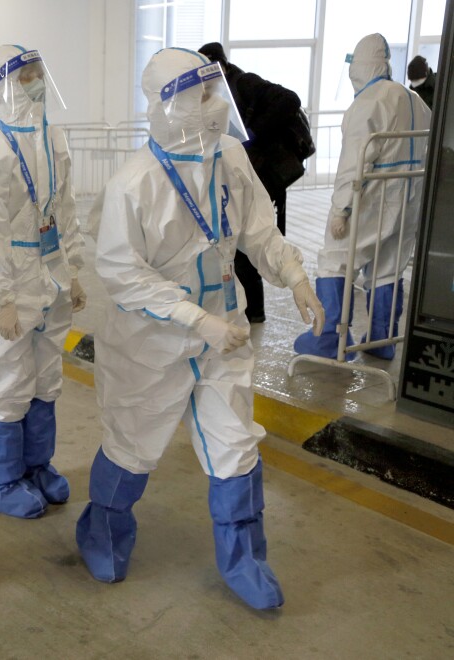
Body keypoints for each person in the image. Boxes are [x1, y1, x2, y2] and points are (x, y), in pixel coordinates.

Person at [75, 47, 324, 610]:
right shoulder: (133, 184)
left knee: (236, 447)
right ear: (169, 104)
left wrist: (295, 275)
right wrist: (194, 319)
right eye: (202, 93)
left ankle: (245, 562)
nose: (215, 105)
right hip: (151, 342)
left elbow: (260, 227)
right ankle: (103, 535)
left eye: (217, 92)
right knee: (133, 446)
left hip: (225, 334)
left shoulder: (229, 156)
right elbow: (122, 273)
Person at [0, 45, 86, 520]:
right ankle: (1, 479)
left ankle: (36, 467)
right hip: (8, 282)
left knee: (46, 379)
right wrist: (2, 294)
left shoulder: (54, 140)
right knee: (7, 380)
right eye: (25, 74)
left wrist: (72, 270)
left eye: (38, 72)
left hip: (48, 279)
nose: (35, 82)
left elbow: (65, 211)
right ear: (3, 84)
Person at [294, 34, 431, 360]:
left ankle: (329, 338)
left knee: (336, 259)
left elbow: (353, 163)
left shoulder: (368, 103)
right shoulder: (415, 101)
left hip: (372, 196)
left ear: (360, 66)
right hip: (410, 196)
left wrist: (341, 208)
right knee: (388, 267)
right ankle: (381, 340)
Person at [198, 42, 303, 324]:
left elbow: (289, 100)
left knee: (243, 237)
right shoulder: (219, 89)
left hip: (260, 170)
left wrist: (252, 133)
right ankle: (250, 309)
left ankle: (253, 310)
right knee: (238, 237)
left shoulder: (243, 82)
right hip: (242, 170)